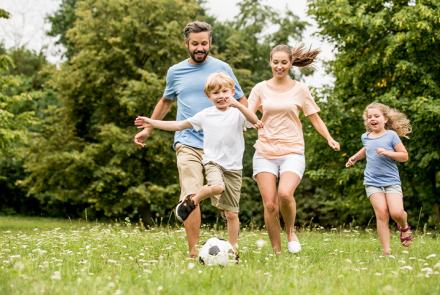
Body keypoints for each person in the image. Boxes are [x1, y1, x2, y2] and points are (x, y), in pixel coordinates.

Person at [133, 21, 247, 258]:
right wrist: (148, 129)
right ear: (186, 43)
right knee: (191, 193)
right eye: (195, 44)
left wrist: (244, 123)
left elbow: (241, 101)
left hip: (220, 146)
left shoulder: (222, 69)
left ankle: (231, 248)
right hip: (187, 142)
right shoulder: (176, 72)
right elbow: (166, 102)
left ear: (210, 42)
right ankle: (194, 251)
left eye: (204, 43)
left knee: (226, 203)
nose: (200, 48)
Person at [135, 72, 260, 253]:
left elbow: (254, 121)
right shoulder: (206, 115)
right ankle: (192, 200)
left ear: (233, 92)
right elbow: (178, 125)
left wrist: (239, 106)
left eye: (225, 91)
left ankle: (233, 250)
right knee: (217, 187)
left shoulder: (238, 114)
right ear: (208, 96)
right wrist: (151, 123)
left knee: (232, 214)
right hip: (213, 162)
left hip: (234, 168)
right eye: (215, 93)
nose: (221, 96)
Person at [247, 44, 340, 254]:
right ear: (270, 62)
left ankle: (290, 231)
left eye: (284, 62)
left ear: (290, 63)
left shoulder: (300, 89)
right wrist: (249, 120)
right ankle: (277, 252)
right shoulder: (260, 88)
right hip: (265, 151)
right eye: (275, 62)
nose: (279, 66)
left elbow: (314, 118)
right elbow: (249, 113)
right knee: (270, 205)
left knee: (285, 193)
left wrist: (329, 138)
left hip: (292, 150)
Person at [345, 102, 413, 256]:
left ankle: (404, 225)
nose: (372, 119)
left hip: (391, 181)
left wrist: (388, 153)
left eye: (376, 116)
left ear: (385, 119)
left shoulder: (391, 135)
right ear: (367, 121)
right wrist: (355, 158)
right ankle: (386, 252)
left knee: (396, 213)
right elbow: (366, 149)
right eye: (369, 117)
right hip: (372, 181)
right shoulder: (365, 137)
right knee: (381, 213)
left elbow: (404, 156)